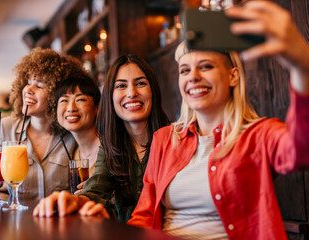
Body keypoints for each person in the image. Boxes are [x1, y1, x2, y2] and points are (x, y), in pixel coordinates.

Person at [127, 1, 309, 239]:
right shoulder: (164, 139)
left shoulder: (258, 134)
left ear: (233, 76)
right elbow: (144, 214)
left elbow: (301, 152)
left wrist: (302, 68)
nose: (193, 77)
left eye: (206, 66)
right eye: (184, 70)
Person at [33, 54, 170, 222]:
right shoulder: (111, 145)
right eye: (121, 86)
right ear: (110, 97)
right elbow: (97, 187)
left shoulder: (174, 139)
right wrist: (74, 201)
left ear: (153, 90)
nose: (131, 93)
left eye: (140, 83)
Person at [0, 47, 91, 201]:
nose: (28, 90)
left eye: (39, 86)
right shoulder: (6, 128)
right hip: (14, 221)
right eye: (27, 83)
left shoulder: (72, 133)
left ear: (57, 94)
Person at [53, 73, 101, 190]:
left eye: (80, 99)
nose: (71, 108)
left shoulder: (111, 149)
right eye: (64, 100)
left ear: (97, 108)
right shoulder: (72, 151)